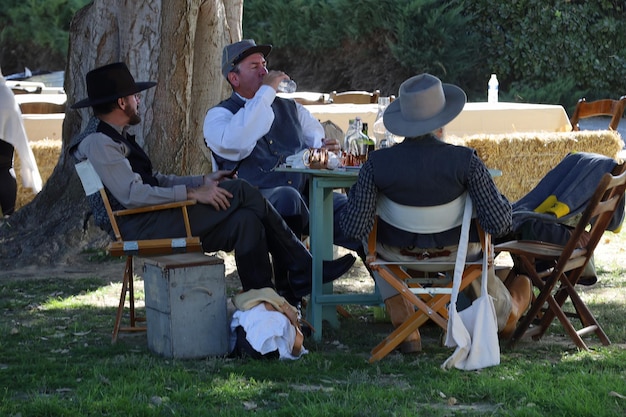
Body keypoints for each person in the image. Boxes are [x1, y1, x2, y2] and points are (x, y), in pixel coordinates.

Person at [69, 62, 356, 305]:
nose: (139, 101)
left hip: (150, 216)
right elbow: (132, 195)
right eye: (135, 96)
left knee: (246, 221)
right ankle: (301, 265)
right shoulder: (99, 143)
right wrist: (194, 193)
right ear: (122, 102)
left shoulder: (113, 135)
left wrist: (202, 180)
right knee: (241, 189)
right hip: (137, 223)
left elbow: (152, 180)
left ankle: (266, 306)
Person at [339, 73, 533, 353]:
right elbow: (499, 222)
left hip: (395, 256)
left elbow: (355, 227)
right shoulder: (466, 162)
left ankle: (403, 314)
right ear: (442, 121)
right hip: (458, 256)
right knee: (480, 245)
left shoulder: (376, 164)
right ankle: (506, 313)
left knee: (369, 237)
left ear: (404, 123)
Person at [203, 39, 361, 303]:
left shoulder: (292, 109)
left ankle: (397, 302)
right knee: (287, 196)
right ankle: (291, 295)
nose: (264, 72)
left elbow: (315, 142)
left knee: (357, 213)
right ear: (234, 77)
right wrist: (265, 94)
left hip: (308, 197)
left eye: (264, 65)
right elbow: (238, 142)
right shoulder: (219, 117)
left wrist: (326, 149)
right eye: (254, 66)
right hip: (256, 205)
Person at [0, 67, 42, 217]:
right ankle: (8, 216)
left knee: (4, 165)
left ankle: (8, 216)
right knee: (4, 165)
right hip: (4, 97)